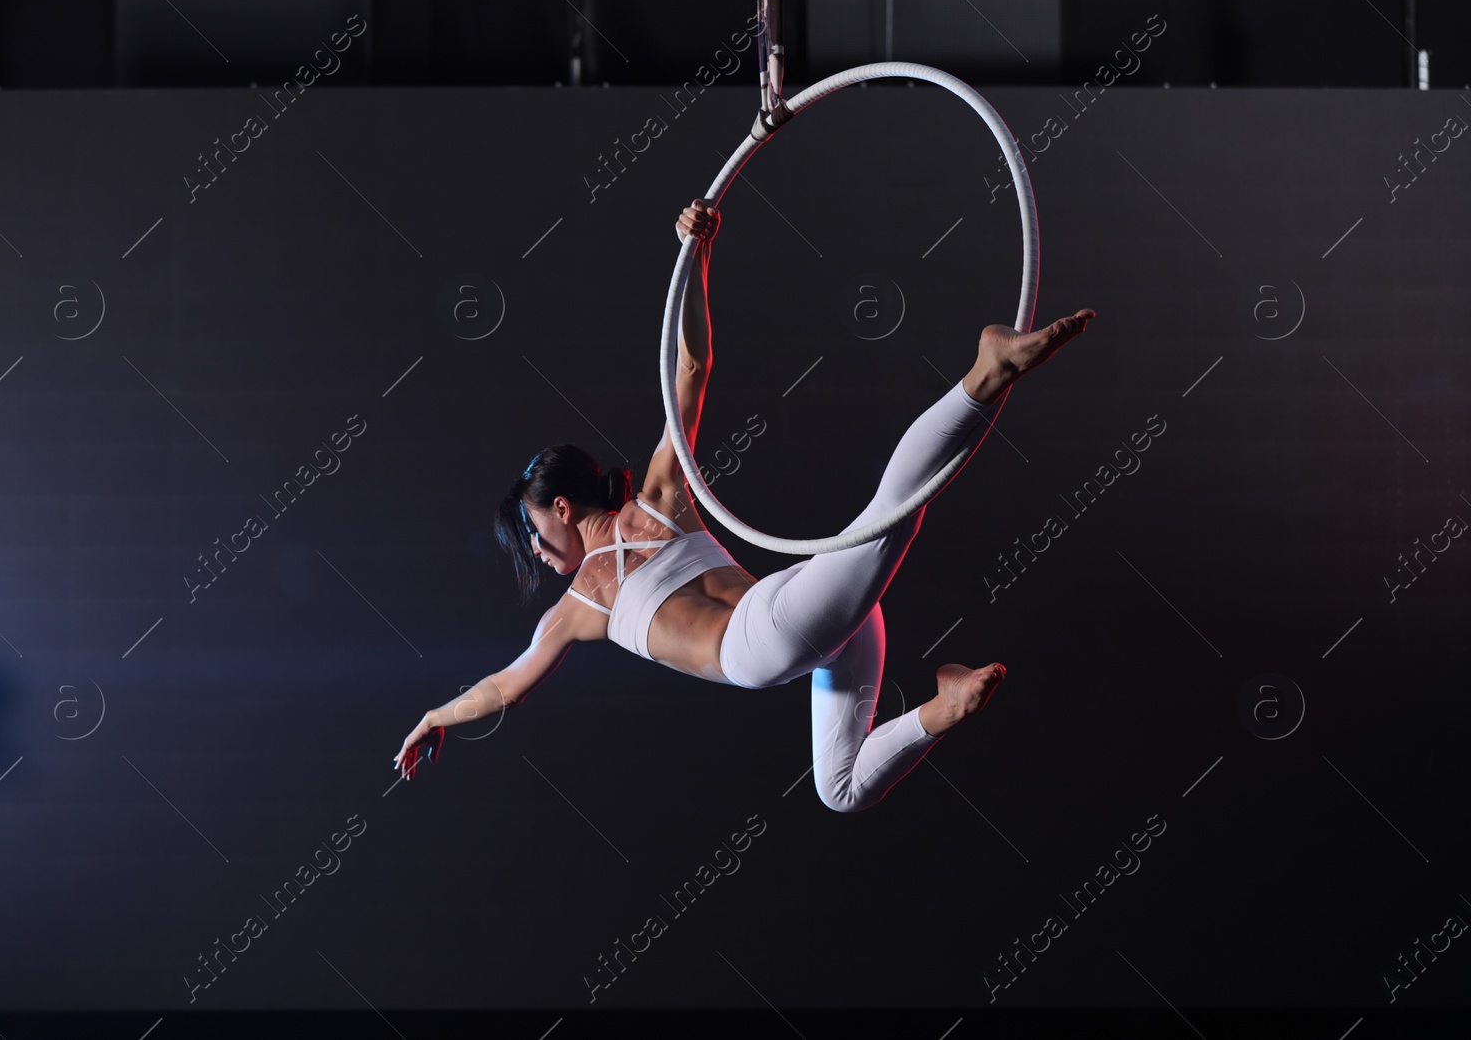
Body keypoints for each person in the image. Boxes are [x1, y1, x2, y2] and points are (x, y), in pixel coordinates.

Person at [393, 197, 1094, 812]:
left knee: (894, 510)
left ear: (564, 507)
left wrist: (694, 254)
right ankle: (948, 701)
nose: (540, 556)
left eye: (534, 535)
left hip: (779, 633)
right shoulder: (660, 498)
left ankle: (986, 370)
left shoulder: (582, 604)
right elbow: (691, 369)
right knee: (840, 788)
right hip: (820, 623)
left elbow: (505, 688)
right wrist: (693, 254)